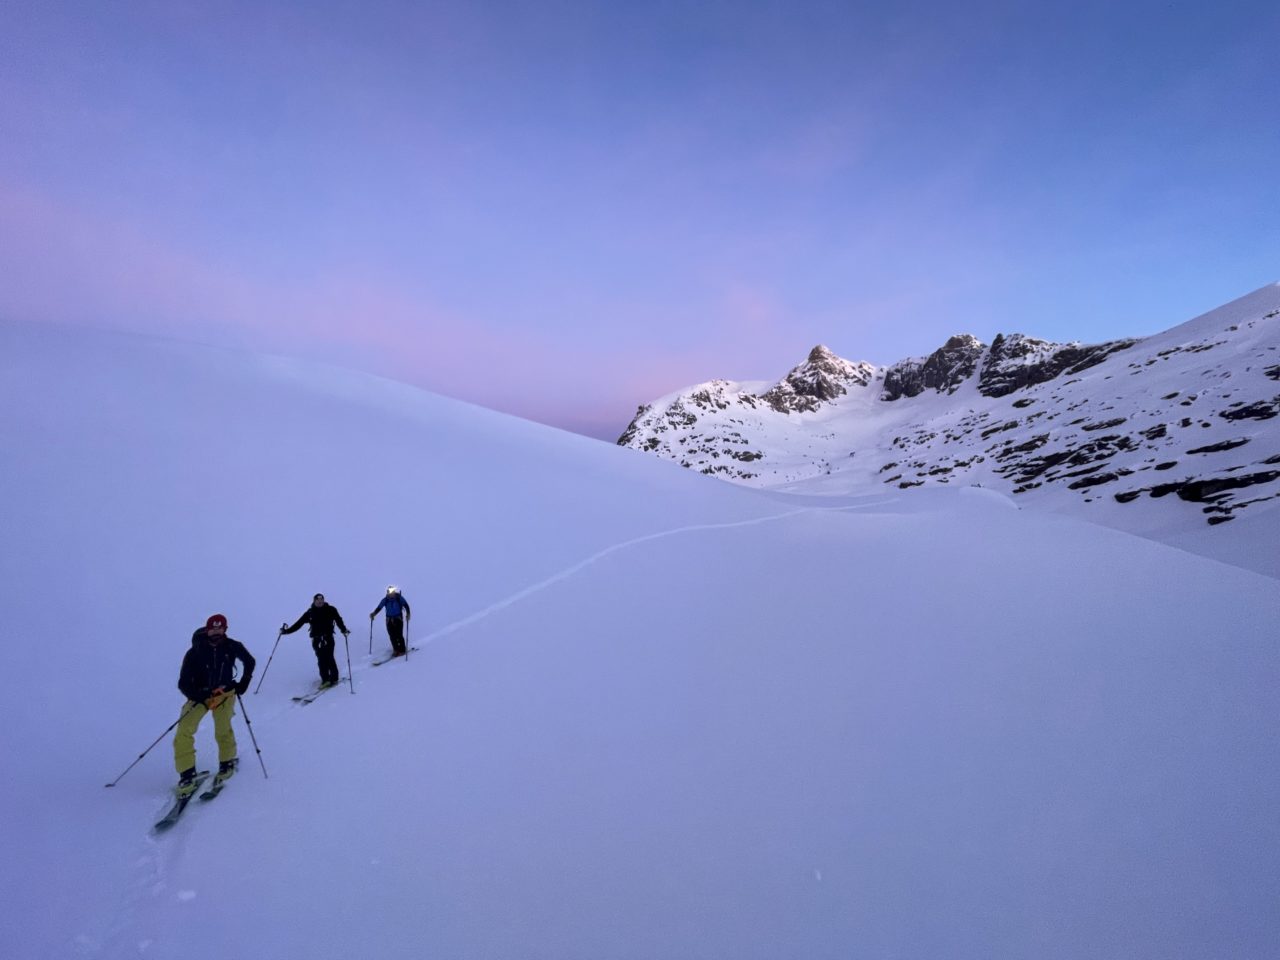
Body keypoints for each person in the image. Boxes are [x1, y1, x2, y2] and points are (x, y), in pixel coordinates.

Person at [174, 614, 255, 797]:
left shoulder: (233, 646)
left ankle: (226, 762)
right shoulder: (194, 651)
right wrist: (198, 695)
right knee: (183, 731)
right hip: (199, 696)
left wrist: (244, 683)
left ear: (225, 629)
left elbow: (250, 661)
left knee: (222, 728)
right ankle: (187, 774)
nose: (216, 631)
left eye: (220, 628)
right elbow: (183, 682)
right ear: (207, 629)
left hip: (225, 694)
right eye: (213, 628)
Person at [282, 593, 350, 688]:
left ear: (324, 601)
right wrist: (286, 631)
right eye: (318, 602)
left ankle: (334, 678)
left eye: (321, 601)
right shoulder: (310, 613)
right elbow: (299, 624)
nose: (320, 603)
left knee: (329, 657)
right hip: (316, 640)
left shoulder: (331, 610)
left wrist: (344, 630)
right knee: (321, 659)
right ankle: (325, 679)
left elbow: (339, 620)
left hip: (328, 638)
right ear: (314, 601)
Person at [370, 585, 412, 657]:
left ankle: (402, 650)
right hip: (389, 620)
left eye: (393, 591)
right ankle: (396, 650)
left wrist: (408, 614)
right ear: (388, 592)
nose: (392, 593)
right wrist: (374, 614)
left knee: (399, 635)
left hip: (398, 619)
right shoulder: (385, 600)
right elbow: (379, 607)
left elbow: (406, 605)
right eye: (390, 591)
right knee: (392, 635)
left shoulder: (399, 598)